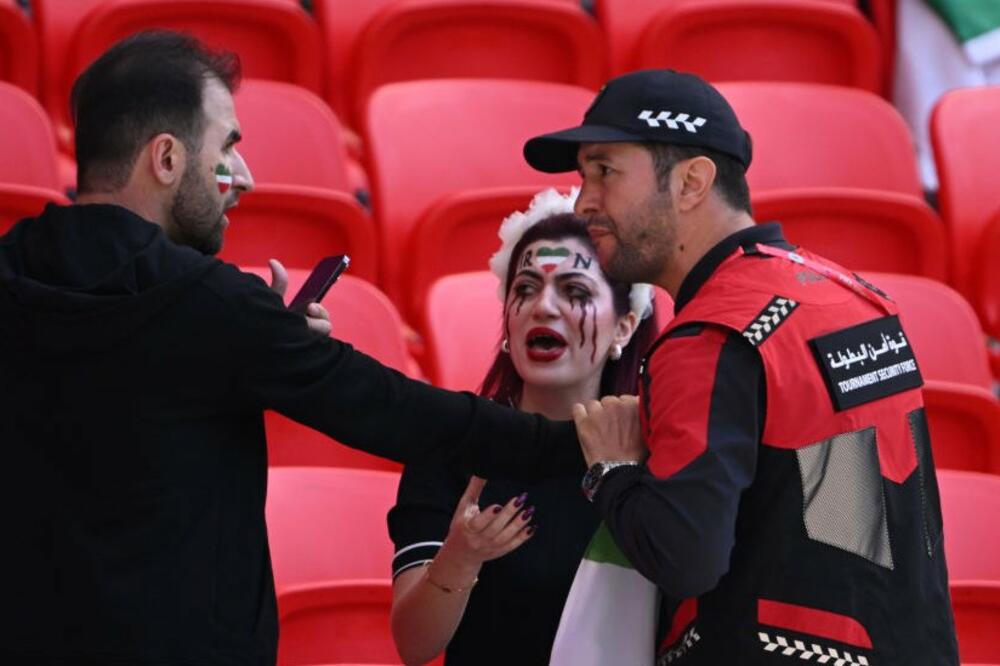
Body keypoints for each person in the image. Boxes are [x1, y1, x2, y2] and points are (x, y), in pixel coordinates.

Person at [0, 32, 611, 666]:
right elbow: (393, 409)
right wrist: (577, 442)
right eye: (227, 147)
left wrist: (260, 347)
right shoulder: (214, 308)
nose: (243, 176)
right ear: (167, 158)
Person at [523, 69, 959, 664]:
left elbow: (684, 558)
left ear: (692, 183)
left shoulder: (710, 335)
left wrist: (612, 470)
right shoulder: (855, 298)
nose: (583, 203)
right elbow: (850, 522)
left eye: (604, 171)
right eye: (583, 177)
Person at [387, 190, 657, 666]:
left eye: (575, 292)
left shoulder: (658, 449)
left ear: (623, 327)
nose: (543, 307)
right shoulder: (453, 442)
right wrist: (460, 558)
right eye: (526, 289)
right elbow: (414, 646)